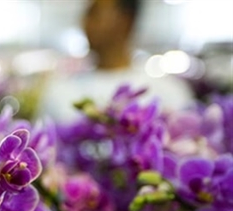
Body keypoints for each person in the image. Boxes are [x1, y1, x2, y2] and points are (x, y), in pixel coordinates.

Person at [40, 0, 194, 123]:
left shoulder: (168, 92)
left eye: (94, 13)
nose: (85, 23)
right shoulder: (60, 91)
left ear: (127, 20)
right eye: (86, 14)